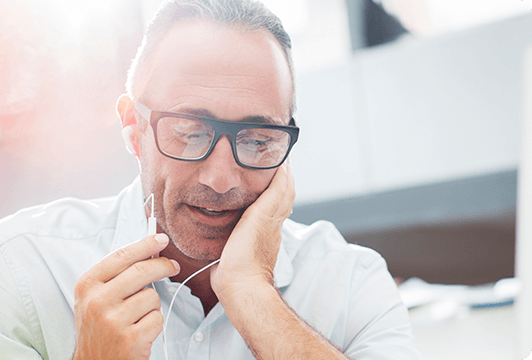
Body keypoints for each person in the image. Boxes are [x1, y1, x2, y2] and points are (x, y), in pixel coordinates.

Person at [0, 0, 422, 359]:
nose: (221, 180)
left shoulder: (352, 281)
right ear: (133, 128)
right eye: (189, 132)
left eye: (258, 140)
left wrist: (254, 294)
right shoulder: (22, 267)